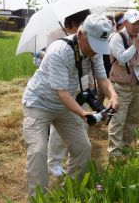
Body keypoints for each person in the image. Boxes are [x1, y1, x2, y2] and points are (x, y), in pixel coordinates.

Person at [22, 14, 119, 198]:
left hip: (65, 106)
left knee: (83, 147)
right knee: (38, 150)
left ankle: (72, 191)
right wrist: (83, 113)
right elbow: (62, 92)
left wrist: (113, 96)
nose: (96, 51)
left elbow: (103, 79)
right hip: (39, 103)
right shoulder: (59, 50)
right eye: (93, 45)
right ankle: (37, 198)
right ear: (81, 34)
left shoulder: (94, 52)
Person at [46, 9, 91, 177]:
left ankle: (74, 158)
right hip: (61, 88)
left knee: (81, 124)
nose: (83, 27)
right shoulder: (55, 36)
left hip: (81, 85)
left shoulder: (87, 38)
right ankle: (54, 162)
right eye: (80, 23)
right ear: (71, 24)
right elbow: (45, 58)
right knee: (58, 130)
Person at [107, 9, 139, 160]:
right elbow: (122, 59)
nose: (137, 26)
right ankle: (114, 155)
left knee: (132, 120)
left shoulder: (138, 37)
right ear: (124, 23)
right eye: (134, 23)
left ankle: (127, 149)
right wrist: (134, 46)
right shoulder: (116, 37)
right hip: (120, 86)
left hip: (136, 85)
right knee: (118, 120)